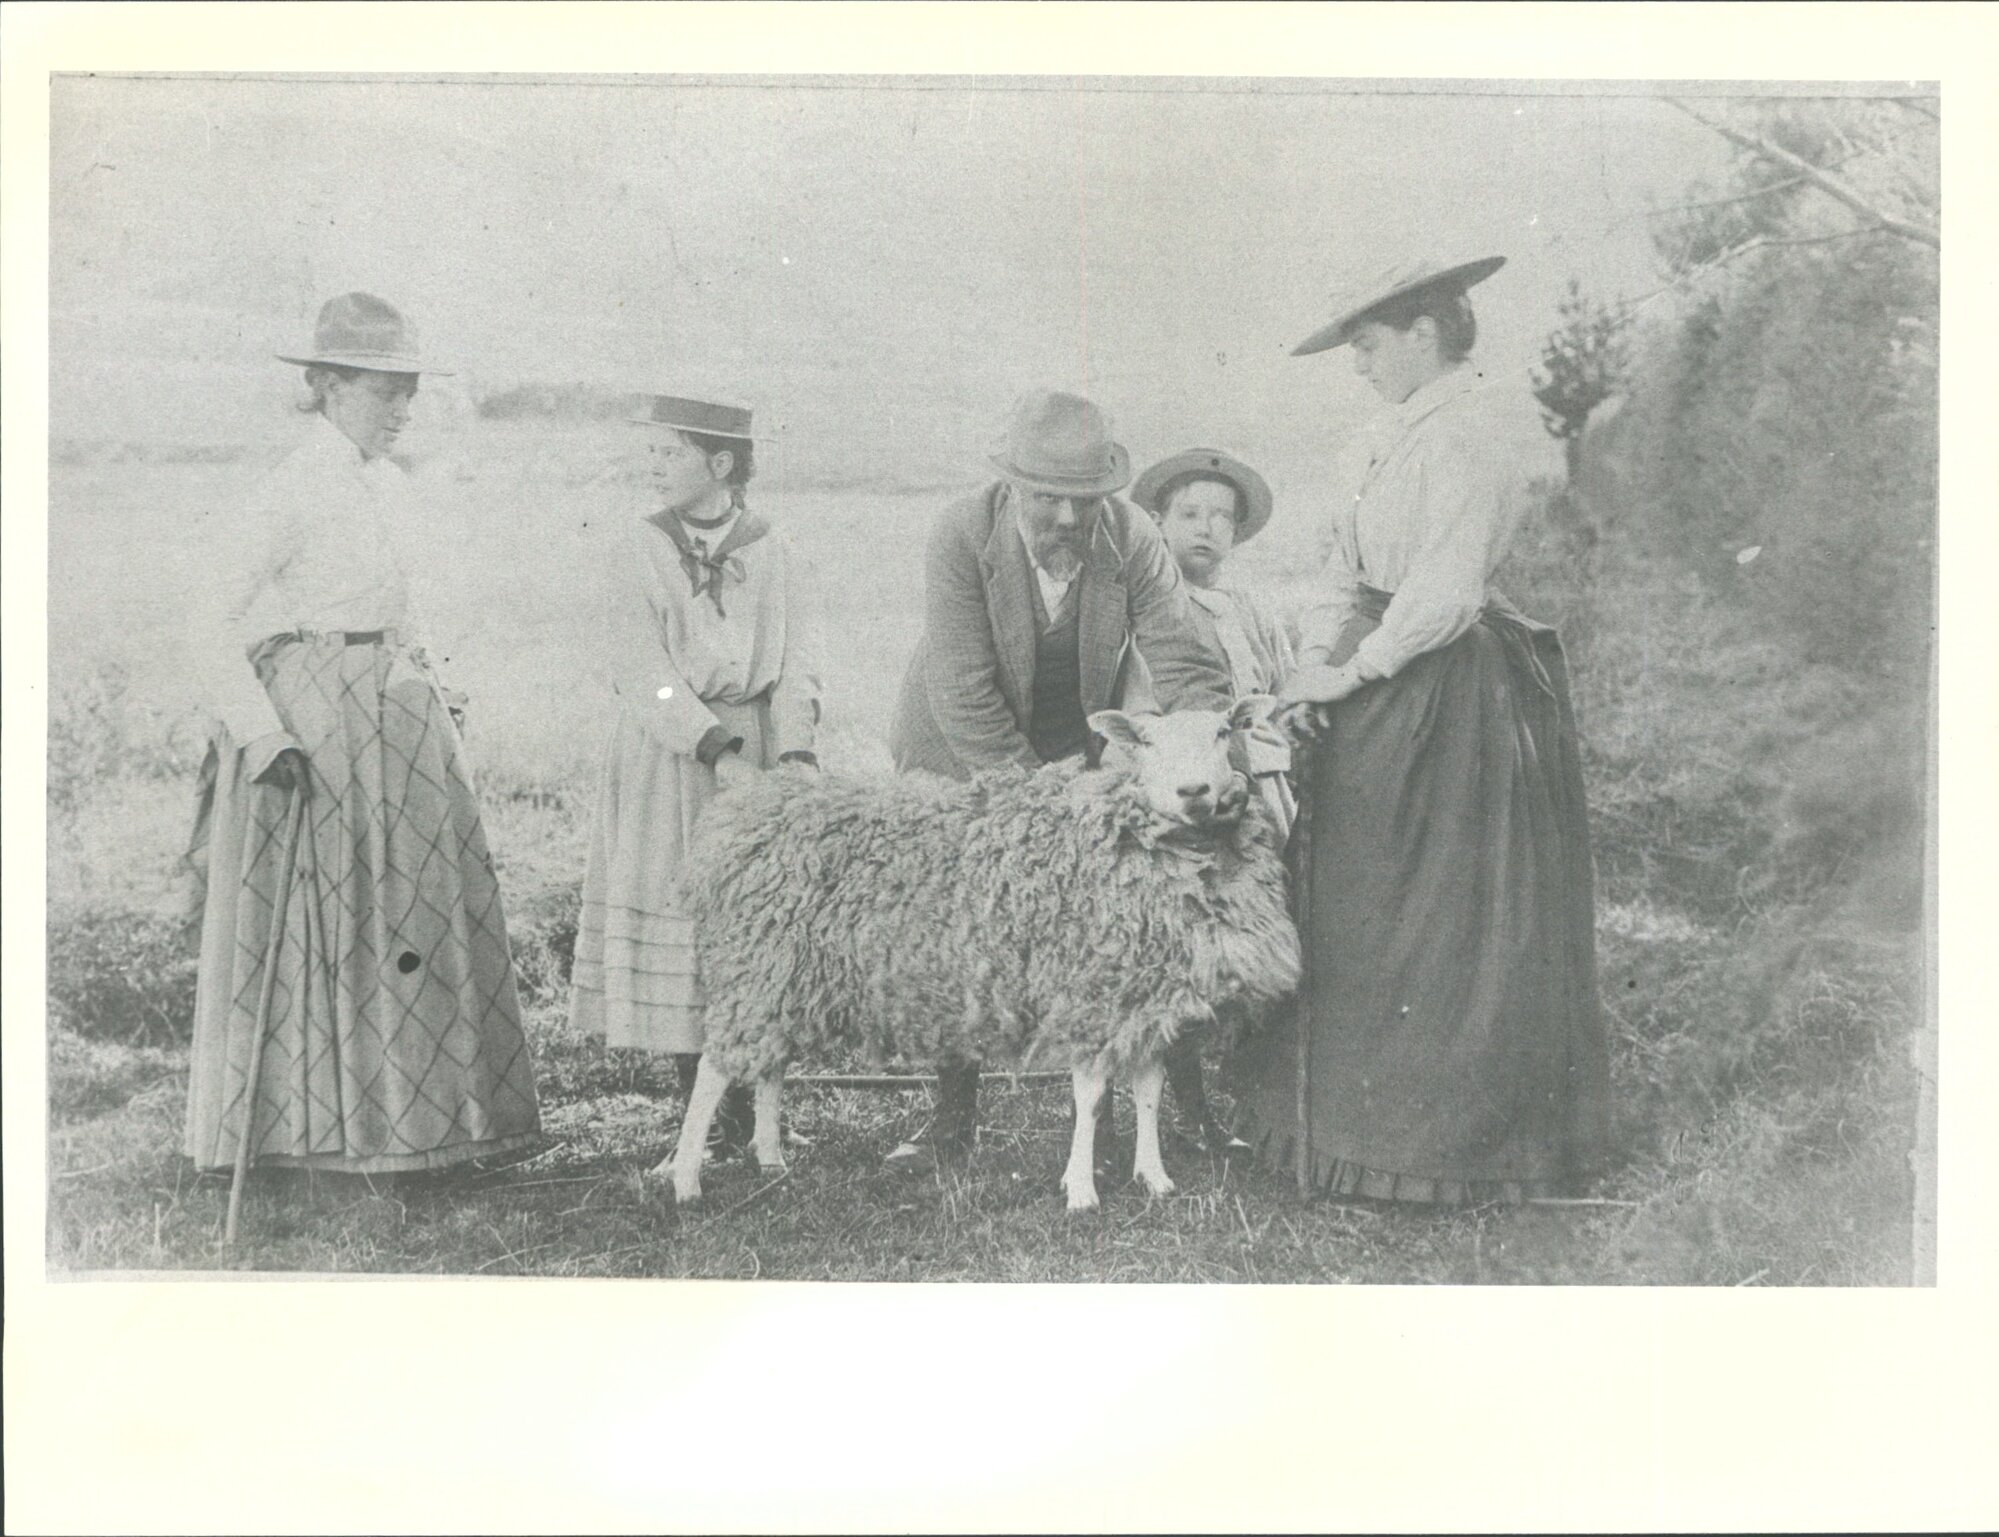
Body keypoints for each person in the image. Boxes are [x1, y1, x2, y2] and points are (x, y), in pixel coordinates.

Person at [1232, 255, 1611, 1203]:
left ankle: (1435, 1144)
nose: (1358, 364)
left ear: (1424, 332)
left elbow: (1442, 589)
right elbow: (1346, 571)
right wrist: (1316, 664)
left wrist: (1356, 668)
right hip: (1377, 667)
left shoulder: (1470, 433)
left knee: (1439, 902)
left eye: (1367, 344)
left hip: (1441, 684)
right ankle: (1342, 1128)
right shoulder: (1385, 437)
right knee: (1361, 888)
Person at [181, 292, 542, 1178]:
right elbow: (202, 617)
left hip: (399, 714)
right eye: (385, 391)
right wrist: (261, 732)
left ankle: (417, 1130)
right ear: (329, 386)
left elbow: (407, 606)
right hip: (316, 723)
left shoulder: (390, 486)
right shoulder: (289, 488)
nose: (402, 407)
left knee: (411, 915)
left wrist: (440, 679)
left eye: (409, 390)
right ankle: (315, 1138)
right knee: (333, 922)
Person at [885, 388, 1234, 1174]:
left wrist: (1200, 749)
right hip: (955, 740)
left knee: (1125, 912)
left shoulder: (1131, 536)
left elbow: (1182, 657)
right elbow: (963, 687)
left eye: (1085, 498)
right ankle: (950, 1115)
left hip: (1071, 735)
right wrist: (1042, 802)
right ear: (1013, 486)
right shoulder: (960, 533)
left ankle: (1129, 1110)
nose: (1068, 518)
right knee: (958, 917)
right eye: (1048, 498)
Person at [568, 393, 822, 1160]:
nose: (654, 466)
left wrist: (793, 756)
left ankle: (757, 1109)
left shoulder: (775, 550)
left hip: (758, 753)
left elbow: (798, 664)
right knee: (682, 923)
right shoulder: (637, 548)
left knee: (755, 928)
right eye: (649, 452)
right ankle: (700, 1115)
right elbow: (639, 669)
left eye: (669, 452)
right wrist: (716, 749)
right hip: (672, 755)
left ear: (720, 462)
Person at [1131, 447, 1294, 1156]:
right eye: (1189, 514)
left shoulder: (1249, 607)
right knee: (1185, 952)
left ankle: (1265, 1102)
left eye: (1221, 518)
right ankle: (1190, 1104)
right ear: (1159, 523)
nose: (1206, 529)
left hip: (1264, 788)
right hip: (1196, 797)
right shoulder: (1156, 609)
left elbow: (1279, 688)